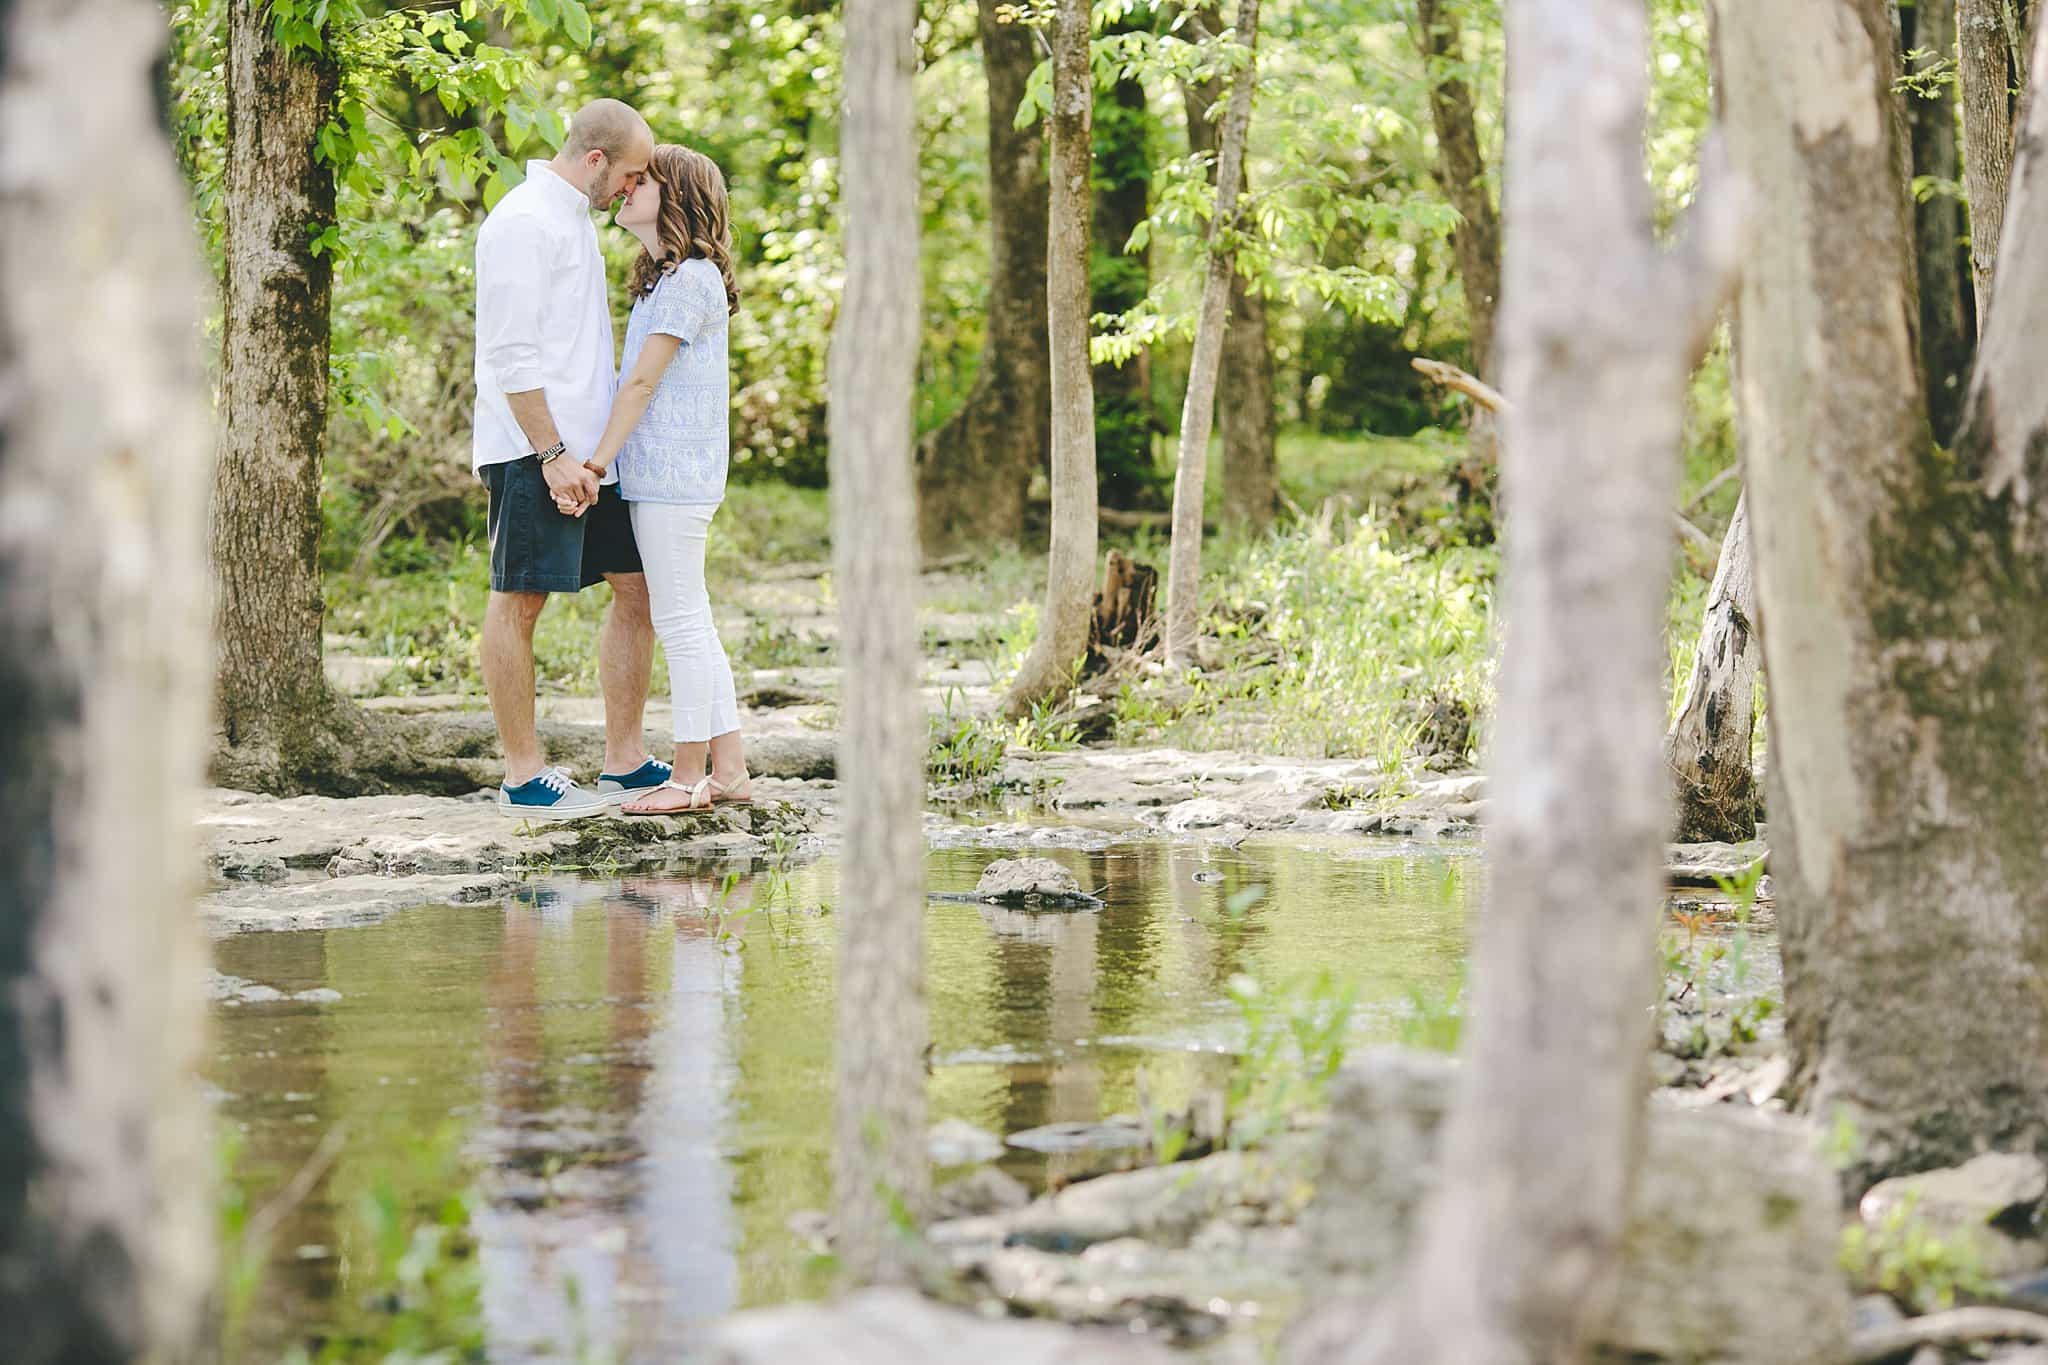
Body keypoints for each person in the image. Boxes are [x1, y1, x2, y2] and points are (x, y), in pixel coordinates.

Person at [472, 99, 673, 817]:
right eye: (631, 174)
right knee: (520, 600)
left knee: (637, 589)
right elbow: (511, 353)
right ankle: (524, 778)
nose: (634, 186)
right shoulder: (523, 222)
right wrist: (552, 453)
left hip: (592, 457)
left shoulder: (576, 221)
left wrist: (591, 457)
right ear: (595, 161)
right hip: (534, 450)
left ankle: (623, 761)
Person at [578, 144, 751, 814]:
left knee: (679, 624)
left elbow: (643, 382)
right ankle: (729, 770)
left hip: (675, 480)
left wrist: (594, 464)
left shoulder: (691, 280)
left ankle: (686, 778)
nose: (626, 188)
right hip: (662, 478)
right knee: (693, 622)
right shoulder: (666, 278)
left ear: (675, 194)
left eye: (641, 181)